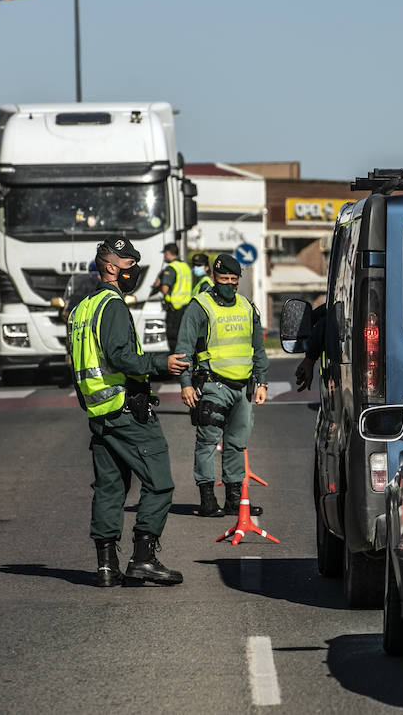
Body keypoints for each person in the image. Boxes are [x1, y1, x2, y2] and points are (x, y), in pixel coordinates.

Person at [70, 237, 189, 587]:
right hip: (126, 409)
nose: (133, 270)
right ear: (110, 267)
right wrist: (160, 364)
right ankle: (143, 557)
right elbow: (121, 357)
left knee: (110, 488)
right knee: (160, 482)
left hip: (99, 413)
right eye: (128, 265)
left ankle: (106, 566)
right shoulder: (112, 306)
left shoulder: (82, 309)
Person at [176, 252, 269, 517]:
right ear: (214, 278)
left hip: (242, 389)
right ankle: (207, 500)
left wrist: (262, 382)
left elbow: (258, 349)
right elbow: (184, 349)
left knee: (237, 444)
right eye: (223, 278)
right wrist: (185, 384)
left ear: (239, 280)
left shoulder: (246, 307)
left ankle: (233, 499)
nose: (228, 284)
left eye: (233, 279)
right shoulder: (200, 306)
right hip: (212, 385)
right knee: (206, 443)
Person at [150, 242, 193, 352]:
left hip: (174, 308)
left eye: (165, 254)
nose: (164, 256)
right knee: (184, 336)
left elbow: (164, 289)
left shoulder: (171, 268)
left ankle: (175, 360)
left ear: (168, 253)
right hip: (186, 307)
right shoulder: (185, 267)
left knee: (173, 337)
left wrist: (158, 288)